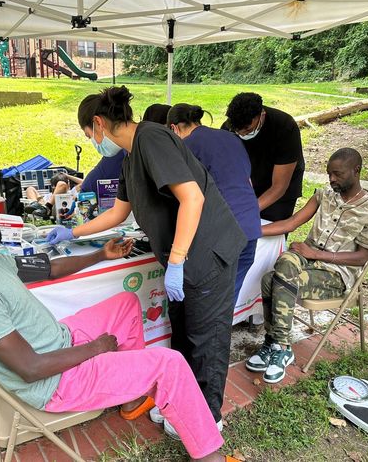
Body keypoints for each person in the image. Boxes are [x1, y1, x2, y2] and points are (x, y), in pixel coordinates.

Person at [0, 189, 239, 462]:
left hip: (59, 341)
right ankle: (209, 457)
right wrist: (94, 349)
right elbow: (31, 368)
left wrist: (100, 254)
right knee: (169, 364)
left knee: (126, 303)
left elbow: (48, 268)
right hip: (55, 382)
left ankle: (131, 397)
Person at [47, 86, 247, 432]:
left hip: (206, 255)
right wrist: (71, 232)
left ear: (98, 124)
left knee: (207, 341)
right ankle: (182, 402)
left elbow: (193, 199)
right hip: (181, 260)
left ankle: (207, 419)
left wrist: (179, 260)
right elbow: (117, 214)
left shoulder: (152, 139)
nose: (93, 142)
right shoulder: (130, 156)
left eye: (88, 135)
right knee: (183, 334)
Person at [246, 148, 368, 384]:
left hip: (337, 274)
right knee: (284, 263)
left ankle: (277, 343)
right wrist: (250, 231)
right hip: (306, 261)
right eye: (329, 173)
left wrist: (317, 254)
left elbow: (363, 257)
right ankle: (278, 344)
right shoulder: (324, 195)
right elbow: (292, 222)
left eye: (337, 174)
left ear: (356, 171)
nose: (331, 179)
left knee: (273, 280)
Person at [167, 103, 261, 302]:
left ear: (174, 128)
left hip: (223, 231)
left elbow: (188, 197)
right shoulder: (231, 138)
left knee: (211, 304)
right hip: (250, 226)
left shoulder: (187, 145)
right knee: (228, 299)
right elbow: (247, 181)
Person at [222, 92, 305, 222]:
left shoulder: (284, 126)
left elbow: (279, 186)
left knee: (271, 231)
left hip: (280, 191)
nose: (241, 134)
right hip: (247, 186)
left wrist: (249, 210)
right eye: (237, 131)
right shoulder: (229, 127)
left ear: (261, 115)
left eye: (247, 130)